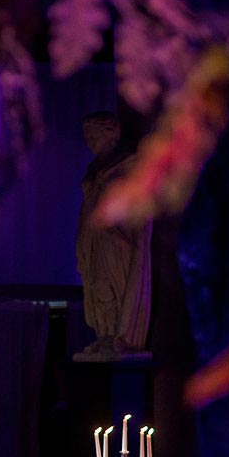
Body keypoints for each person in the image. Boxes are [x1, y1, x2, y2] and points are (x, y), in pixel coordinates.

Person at [75, 112, 152, 359]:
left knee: (114, 283)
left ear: (111, 135)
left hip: (116, 237)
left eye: (94, 136)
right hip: (95, 235)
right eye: (87, 136)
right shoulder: (94, 170)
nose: (89, 142)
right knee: (96, 283)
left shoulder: (127, 165)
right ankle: (104, 334)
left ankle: (119, 334)